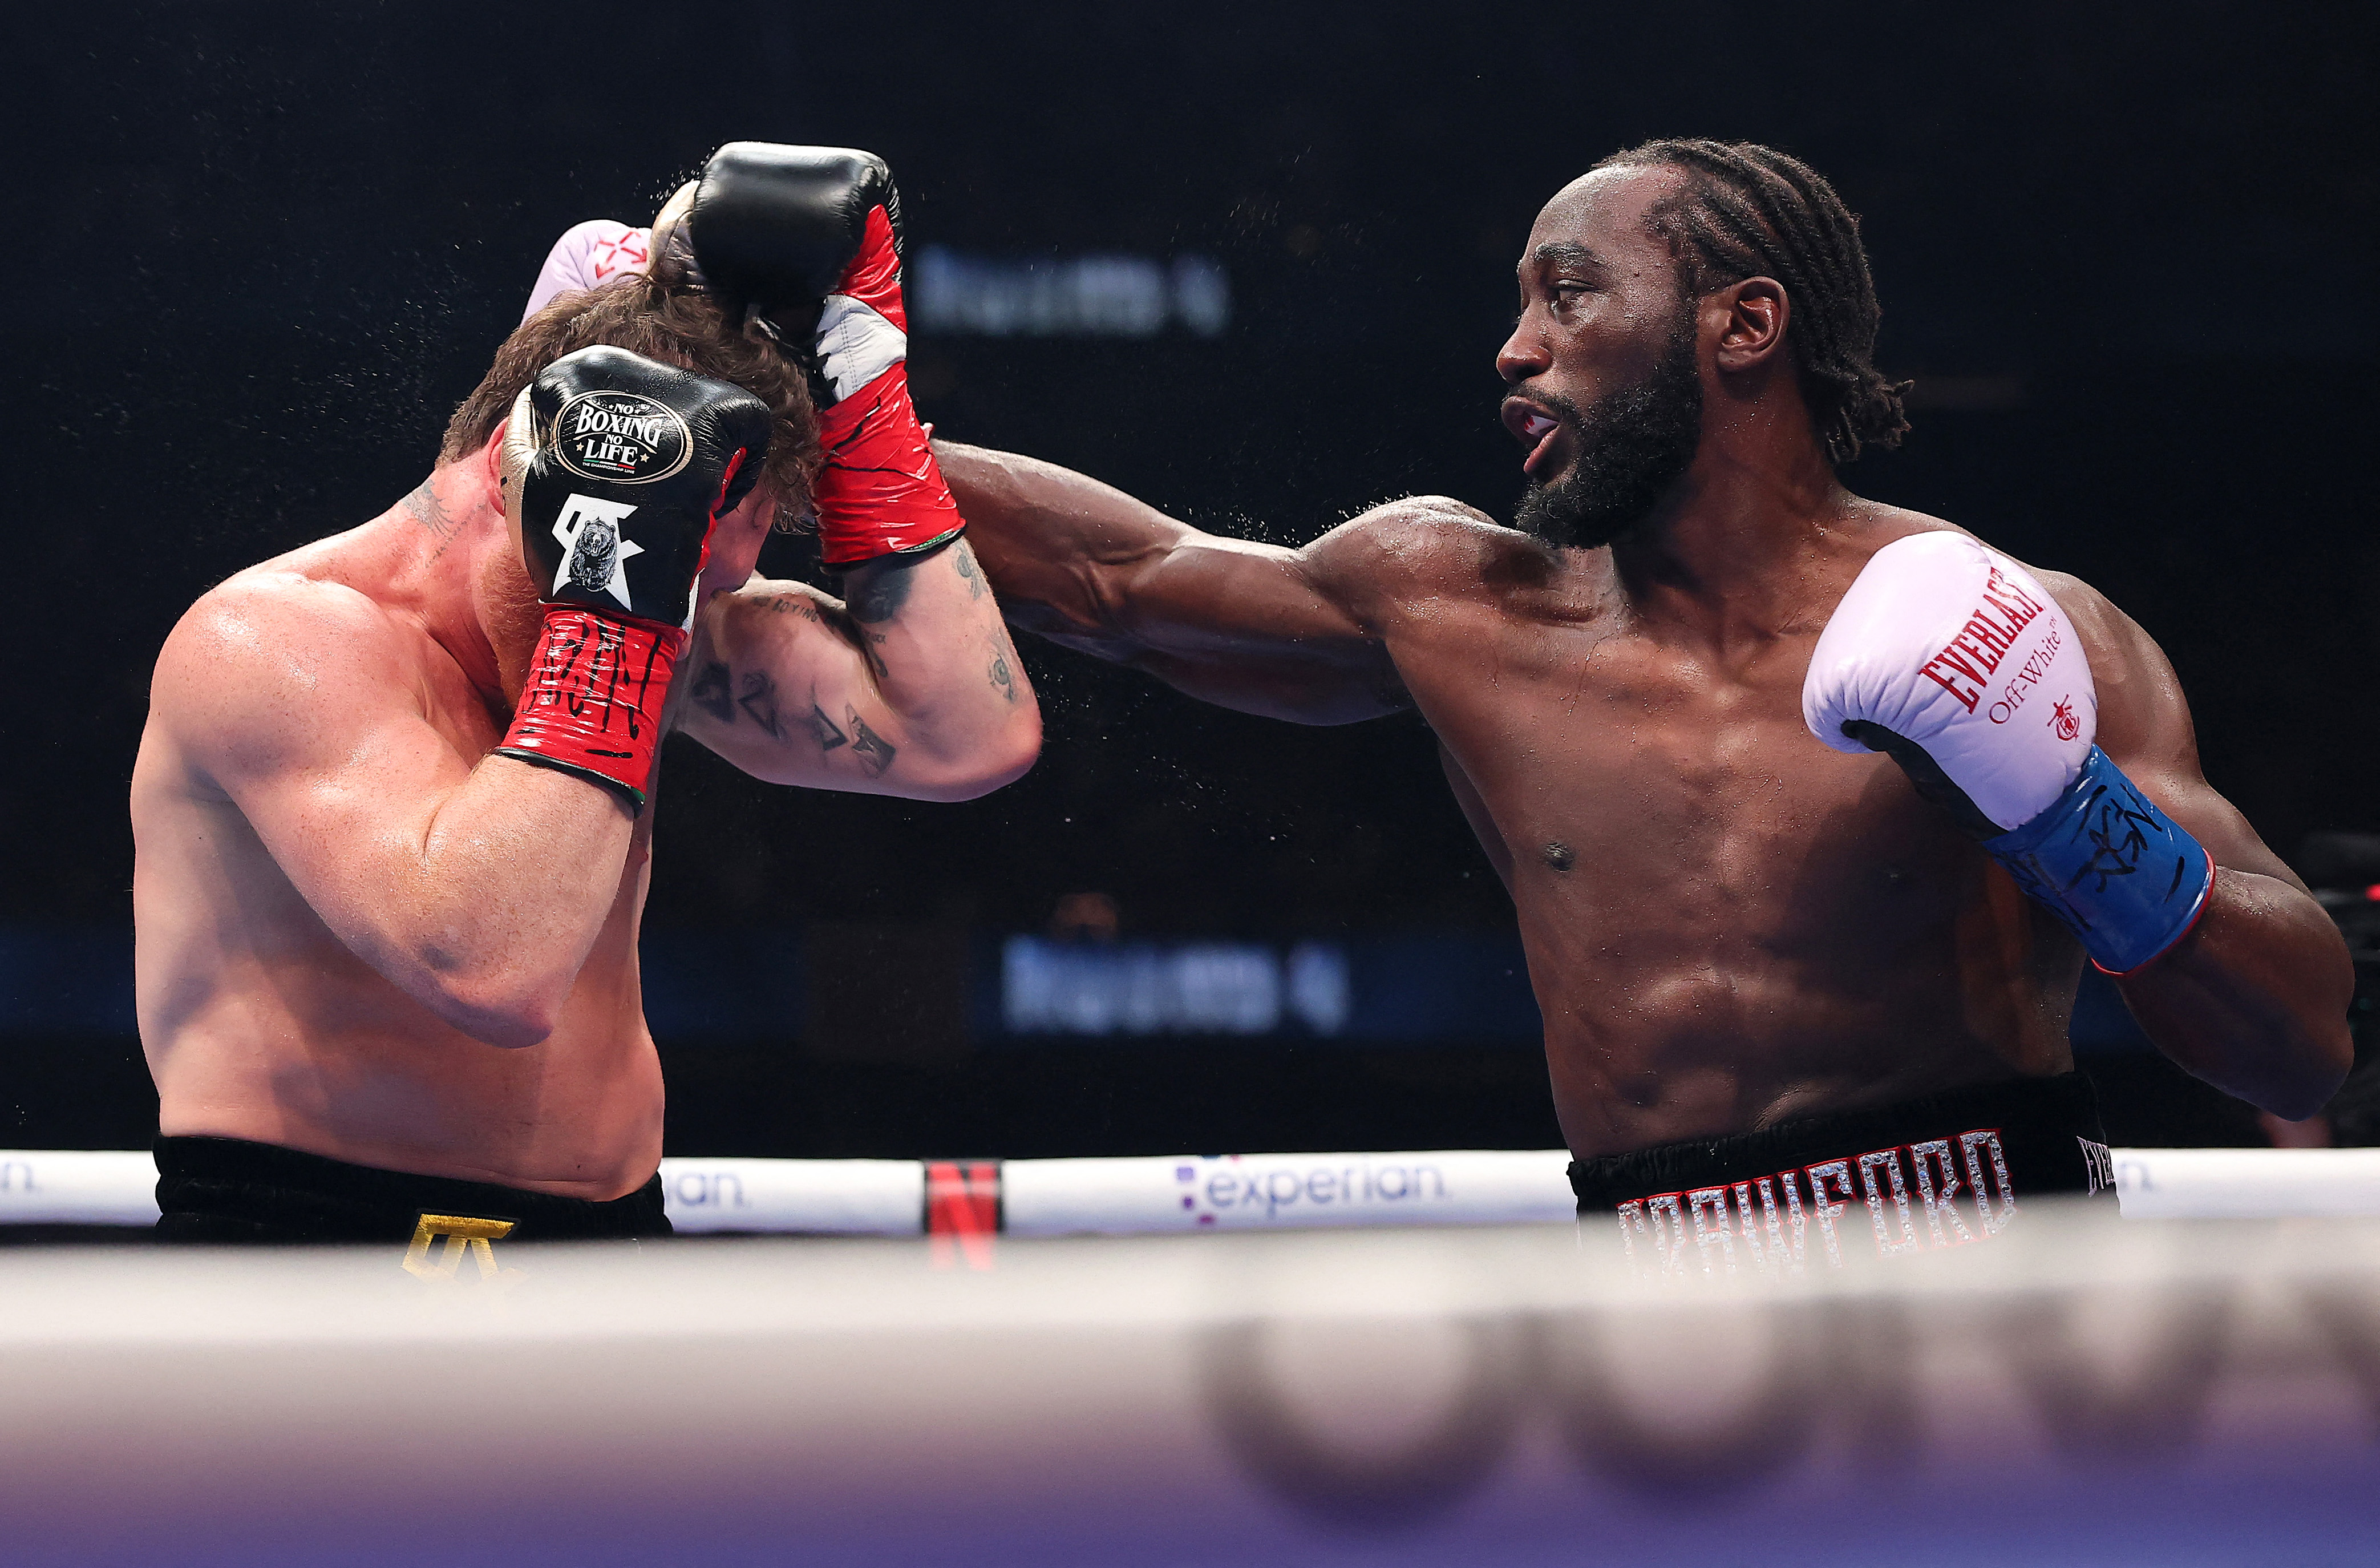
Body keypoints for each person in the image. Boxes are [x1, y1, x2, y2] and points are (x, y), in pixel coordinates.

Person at [928, 139, 2353, 1263]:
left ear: (1744, 324)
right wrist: (843, 409)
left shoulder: (2016, 631)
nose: (1514, 348)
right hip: (1656, 1295)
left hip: (1987, 1267)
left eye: (1567, 293)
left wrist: (2062, 811)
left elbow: (2297, 1048)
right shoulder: (1459, 605)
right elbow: (1121, 579)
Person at [131, 148, 1039, 1243]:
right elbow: (492, 968)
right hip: (320, 1248)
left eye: (706, 580)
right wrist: (617, 607)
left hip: (608, 1240)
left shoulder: (670, 611)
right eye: (674, 568)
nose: (693, 608)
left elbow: (963, 739)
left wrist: (868, 420)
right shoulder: (276, 644)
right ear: (513, 469)